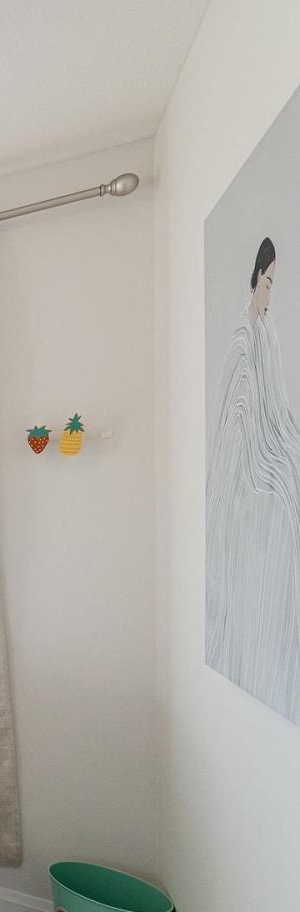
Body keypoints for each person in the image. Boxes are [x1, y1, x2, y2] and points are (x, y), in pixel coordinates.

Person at [206, 238, 300, 721]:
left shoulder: (269, 329)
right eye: (268, 282)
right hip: (248, 455)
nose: (271, 292)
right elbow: (240, 403)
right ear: (255, 280)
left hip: (271, 440)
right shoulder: (246, 331)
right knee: (283, 496)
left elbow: (277, 397)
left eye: (274, 284)